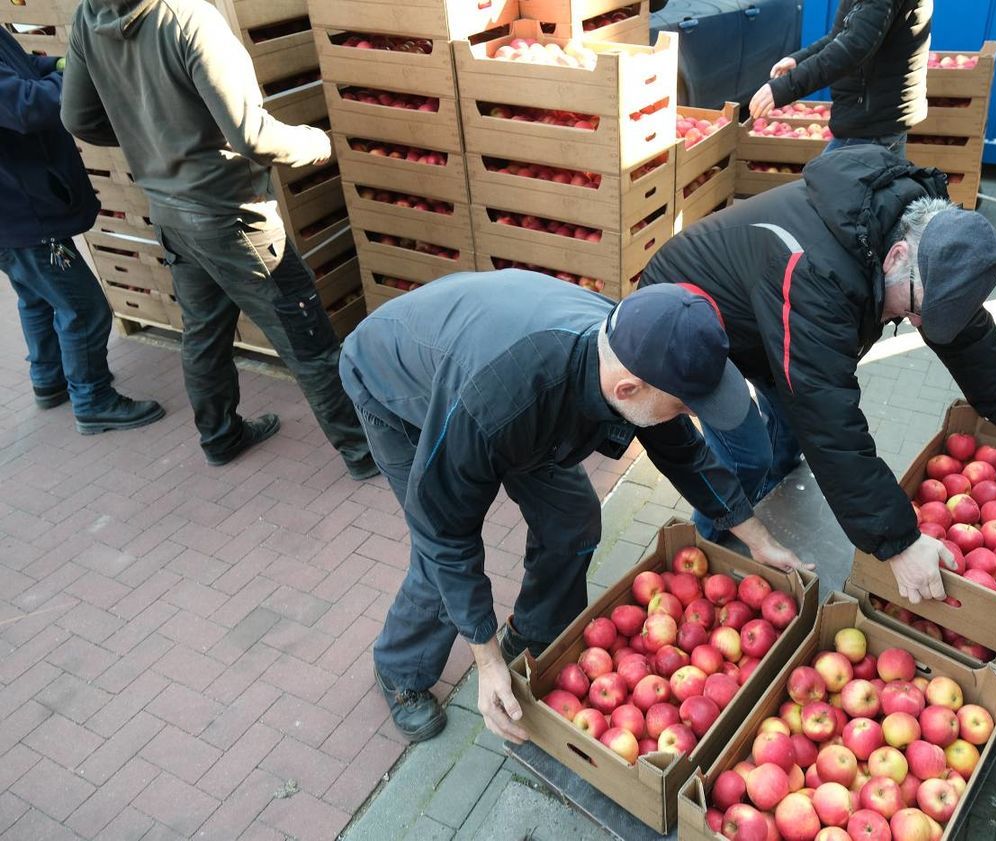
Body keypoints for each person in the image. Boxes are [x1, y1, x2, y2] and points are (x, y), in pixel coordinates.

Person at [339, 270, 808, 743]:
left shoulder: (636, 346)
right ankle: (401, 670)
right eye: (685, 406)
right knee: (439, 557)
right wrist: (486, 661)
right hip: (394, 385)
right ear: (628, 390)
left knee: (573, 518)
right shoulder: (500, 400)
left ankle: (535, 630)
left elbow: (684, 453)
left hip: (501, 390)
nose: (690, 415)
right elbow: (445, 532)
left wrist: (757, 538)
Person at [639, 144, 996, 607]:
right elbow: (825, 415)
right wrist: (898, 542)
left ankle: (776, 481)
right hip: (688, 319)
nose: (918, 324)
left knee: (788, 422)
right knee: (747, 453)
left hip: (765, 313)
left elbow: (957, 321)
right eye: (914, 311)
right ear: (895, 257)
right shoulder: (816, 274)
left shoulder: (925, 239)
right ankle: (711, 536)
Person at [59, 0, 377, 476]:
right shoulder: (190, 17)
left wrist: (153, 141)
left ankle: (220, 436)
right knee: (307, 339)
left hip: (170, 212)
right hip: (233, 217)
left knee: (204, 333)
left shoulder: (90, 15)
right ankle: (363, 451)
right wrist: (316, 144)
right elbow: (251, 135)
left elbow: (79, 119)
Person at [0, 27, 164, 434]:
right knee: (85, 307)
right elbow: (25, 107)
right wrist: (76, 76)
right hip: (22, 212)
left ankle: (49, 380)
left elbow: (19, 68)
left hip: (18, 209)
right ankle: (93, 400)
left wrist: (55, 63)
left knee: (37, 296)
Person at [749, 0, 931, 158]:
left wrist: (785, 87)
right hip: (874, 120)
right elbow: (844, 34)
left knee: (824, 190)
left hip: (872, 125)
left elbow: (855, 45)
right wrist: (800, 59)